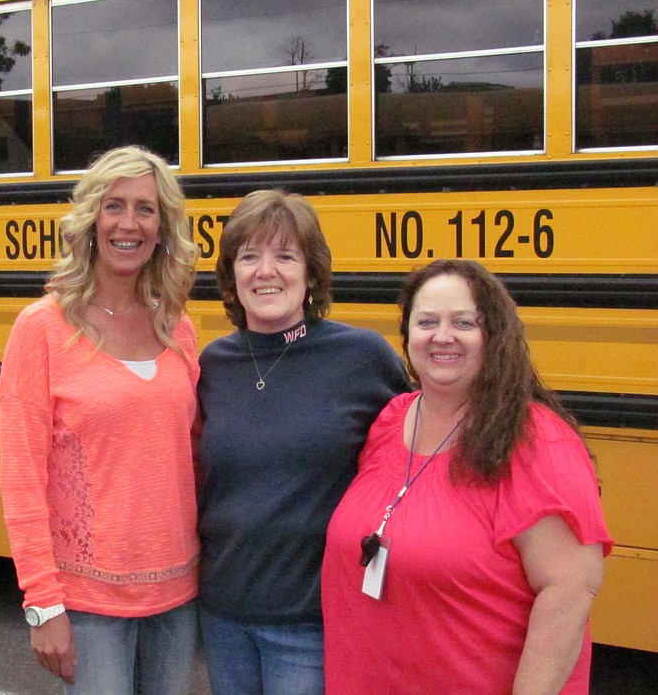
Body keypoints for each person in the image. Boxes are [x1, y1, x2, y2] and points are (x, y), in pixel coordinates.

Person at [322, 259, 613, 694]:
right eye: (426, 322)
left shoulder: (535, 440)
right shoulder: (390, 421)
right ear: (408, 337)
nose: (442, 336)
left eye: (464, 322)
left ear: (493, 336)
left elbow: (569, 591)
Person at [0, 145, 201, 694]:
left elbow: (193, 453)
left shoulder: (177, 328)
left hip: (177, 598)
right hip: (89, 606)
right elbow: (21, 479)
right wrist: (43, 605)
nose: (128, 223)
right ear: (91, 220)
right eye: (114, 206)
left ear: (163, 227)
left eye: (145, 209)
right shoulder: (42, 328)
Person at [196, 189, 410, 695]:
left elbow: (421, 449)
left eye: (285, 256)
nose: (265, 271)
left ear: (311, 273)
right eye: (249, 256)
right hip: (223, 614)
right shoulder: (211, 365)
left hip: (311, 619)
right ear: (231, 274)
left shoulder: (361, 357)